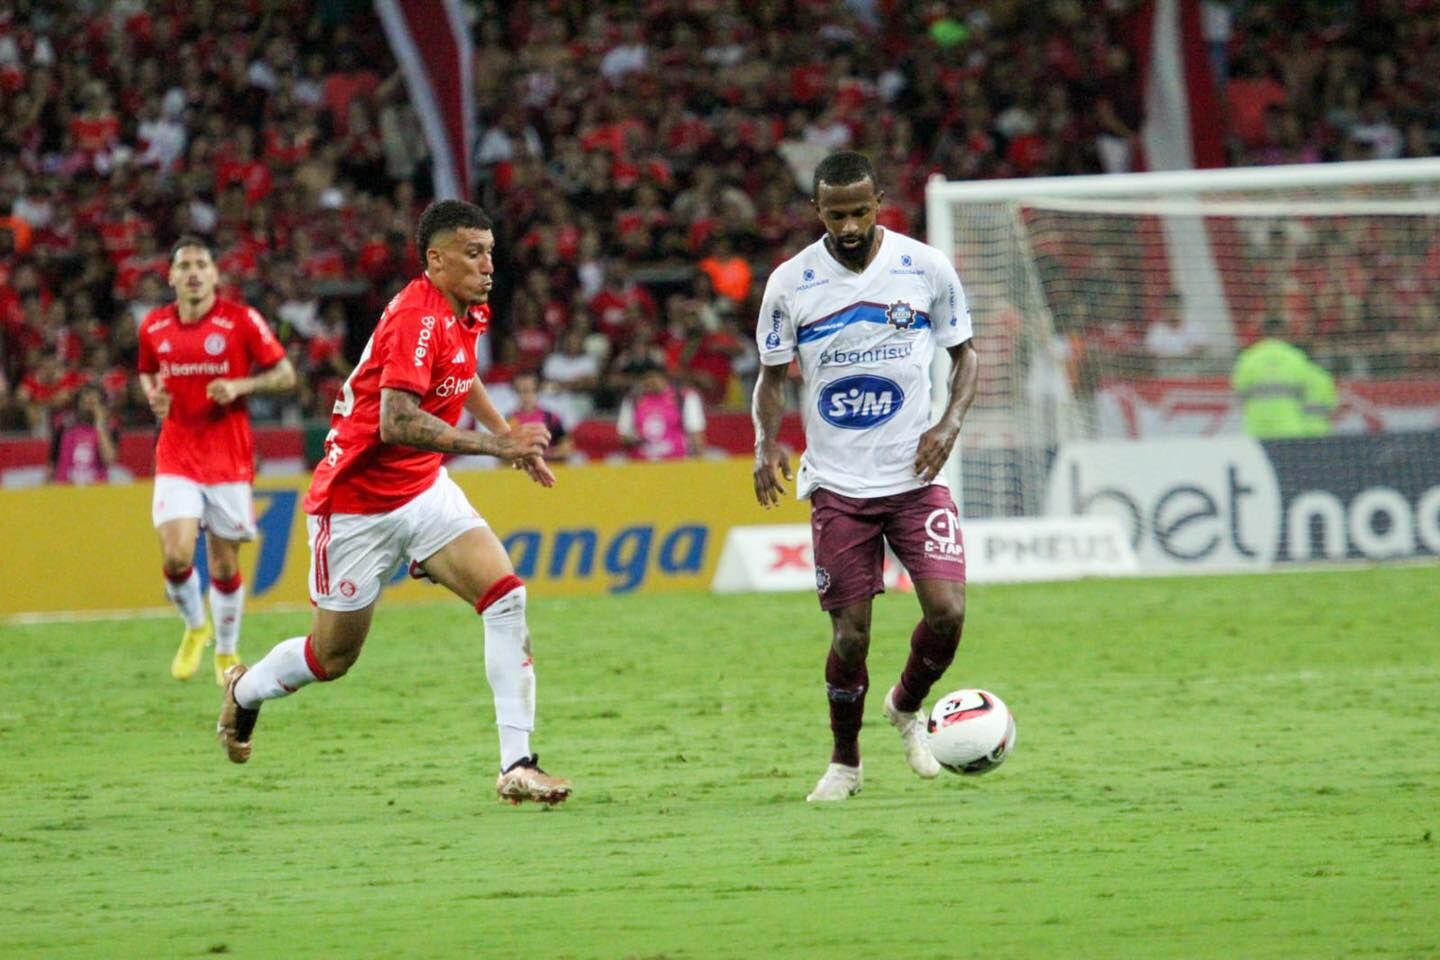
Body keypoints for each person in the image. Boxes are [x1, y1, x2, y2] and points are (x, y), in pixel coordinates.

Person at [217, 200, 572, 807]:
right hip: (356, 504)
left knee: (505, 596)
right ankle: (244, 690)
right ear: (435, 260)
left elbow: (462, 374)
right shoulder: (416, 317)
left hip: (423, 488)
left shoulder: (468, 308)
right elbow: (396, 420)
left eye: (490, 251)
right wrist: (494, 444)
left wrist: (508, 438)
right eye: (473, 252)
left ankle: (517, 763)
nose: (489, 265)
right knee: (330, 658)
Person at [752, 151, 980, 803]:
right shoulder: (791, 284)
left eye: (859, 211)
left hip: (914, 476)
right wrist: (767, 443)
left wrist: (949, 424)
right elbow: (770, 379)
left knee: (947, 612)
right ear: (816, 211)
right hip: (839, 488)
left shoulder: (925, 268)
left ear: (879, 201)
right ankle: (845, 763)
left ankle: (906, 706)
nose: (848, 226)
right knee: (850, 636)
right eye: (834, 214)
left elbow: (967, 356)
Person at [137, 237, 296, 685]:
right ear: (170, 276)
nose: (192, 272)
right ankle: (194, 626)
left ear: (214, 275)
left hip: (228, 460)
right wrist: (154, 395)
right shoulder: (153, 327)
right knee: (176, 555)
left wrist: (240, 387)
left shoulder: (240, 320)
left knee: (224, 565)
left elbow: (286, 375)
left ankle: (226, 650)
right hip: (176, 455)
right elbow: (147, 370)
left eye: (200, 264)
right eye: (183, 264)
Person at [1230, 314, 1311, 438]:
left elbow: (1240, 392)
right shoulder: (1296, 357)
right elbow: (1305, 392)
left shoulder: (1249, 357)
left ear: (1263, 332)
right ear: (1285, 332)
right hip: (1288, 425)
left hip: (1257, 426)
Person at [616, 359, 706, 461]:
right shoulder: (632, 399)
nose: (650, 382)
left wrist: (700, 463)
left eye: (653, 378)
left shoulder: (685, 397)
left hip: (676, 463)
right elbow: (623, 436)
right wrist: (632, 438)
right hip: (642, 465)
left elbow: (695, 432)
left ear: (664, 378)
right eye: (645, 379)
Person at [49, 383, 119, 485]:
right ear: (78, 404)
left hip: (97, 491)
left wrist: (100, 425)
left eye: (93, 403)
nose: (89, 407)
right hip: (66, 491)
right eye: (85, 402)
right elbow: (52, 464)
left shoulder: (110, 428)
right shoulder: (64, 427)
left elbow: (109, 460)